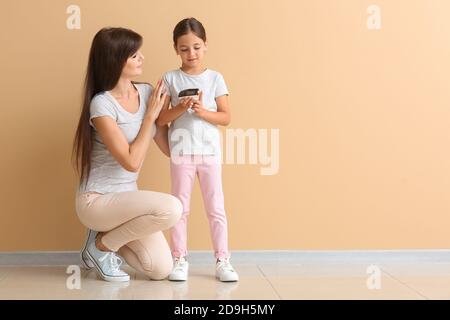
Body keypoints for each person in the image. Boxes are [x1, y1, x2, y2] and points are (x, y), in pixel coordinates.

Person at [72, 27, 182, 282]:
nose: (141, 57)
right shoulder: (102, 104)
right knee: (172, 208)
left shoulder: (145, 94)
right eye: (133, 55)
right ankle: (100, 247)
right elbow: (132, 162)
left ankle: (102, 239)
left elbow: (166, 149)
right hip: (96, 201)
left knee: (160, 269)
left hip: (127, 201)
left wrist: (186, 112)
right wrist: (150, 118)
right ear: (115, 60)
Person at [157, 17, 239, 282]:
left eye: (196, 47)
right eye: (184, 49)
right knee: (180, 209)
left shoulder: (216, 78)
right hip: (181, 153)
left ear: (205, 46)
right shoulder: (169, 78)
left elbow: (226, 117)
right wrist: (181, 107)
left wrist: (203, 111)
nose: (191, 53)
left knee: (216, 208)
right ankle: (179, 259)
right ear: (175, 49)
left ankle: (223, 260)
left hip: (209, 154)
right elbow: (160, 120)